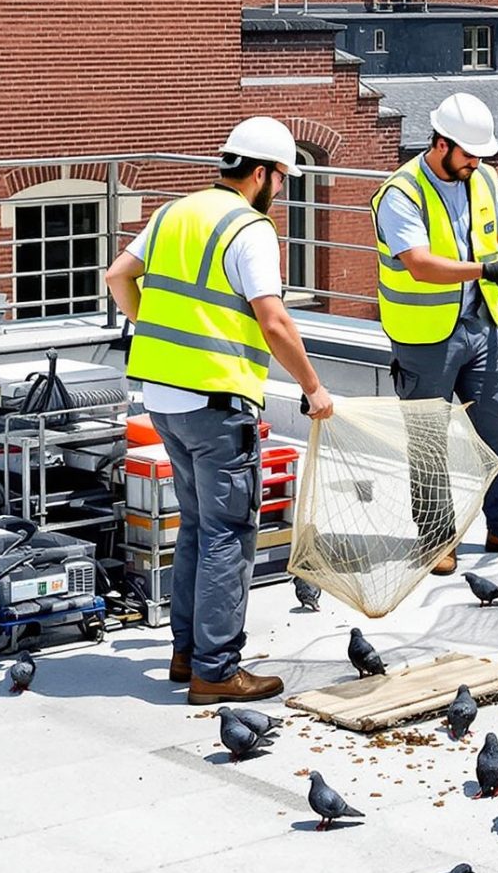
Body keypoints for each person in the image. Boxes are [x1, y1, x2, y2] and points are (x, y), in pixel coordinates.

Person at [104, 116, 333, 705]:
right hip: (214, 403)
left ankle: (187, 653)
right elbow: (274, 319)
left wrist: (154, 329)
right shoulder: (250, 230)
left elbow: (117, 277)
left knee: (198, 527)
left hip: (162, 398)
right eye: (281, 180)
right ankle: (217, 670)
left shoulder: (173, 212)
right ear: (260, 174)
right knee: (230, 534)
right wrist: (313, 387)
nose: (281, 192)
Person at [375, 92, 498, 575]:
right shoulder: (401, 194)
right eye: (468, 154)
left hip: (481, 327)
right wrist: (487, 271)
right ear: (440, 143)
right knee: (430, 440)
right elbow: (421, 266)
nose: (476, 162)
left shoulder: (482, 177)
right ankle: (437, 540)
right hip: (423, 336)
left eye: (480, 155)